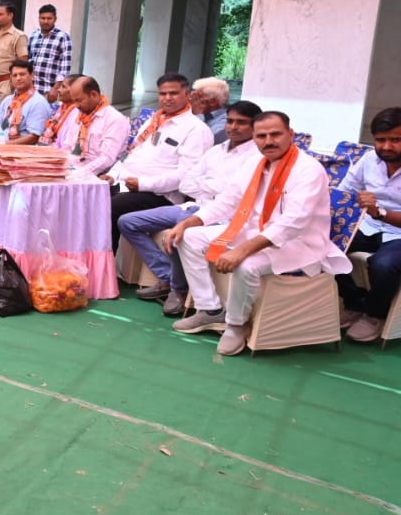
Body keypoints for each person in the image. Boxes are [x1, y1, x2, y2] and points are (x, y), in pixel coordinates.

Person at [166, 111, 351, 356]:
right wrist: (190, 221)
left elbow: (293, 223)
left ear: (290, 134)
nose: (269, 141)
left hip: (298, 244)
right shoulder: (254, 163)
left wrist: (242, 250)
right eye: (261, 136)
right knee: (189, 237)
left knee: (247, 265)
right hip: (254, 231)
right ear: (254, 138)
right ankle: (210, 309)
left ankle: (235, 325)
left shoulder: (308, 169)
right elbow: (228, 201)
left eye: (276, 134)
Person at [117, 100, 262, 314]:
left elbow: (233, 193)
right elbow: (186, 182)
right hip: (194, 206)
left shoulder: (257, 157)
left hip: (223, 217)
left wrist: (205, 186)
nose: (233, 127)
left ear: (254, 126)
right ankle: (167, 277)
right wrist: (211, 188)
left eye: (241, 123)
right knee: (128, 221)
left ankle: (178, 290)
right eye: (230, 121)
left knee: (181, 232)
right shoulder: (217, 151)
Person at [103, 73, 214, 253]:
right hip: (126, 184)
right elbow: (130, 153)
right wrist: (113, 174)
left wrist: (143, 184)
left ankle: (105, 265)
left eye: (173, 93)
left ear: (188, 95)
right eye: (163, 94)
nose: (167, 98)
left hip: (161, 195)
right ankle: (83, 258)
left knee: (111, 206)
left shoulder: (196, 130)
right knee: (89, 196)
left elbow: (186, 175)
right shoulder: (153, 121)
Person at [335, 107, 401, 342]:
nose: (386, 147)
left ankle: (375, 314)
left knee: (383, 264)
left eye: (396, 140)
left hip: (398, 233)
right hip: (368, 225)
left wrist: (379, 212)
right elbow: (345, 192)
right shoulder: (370, 159)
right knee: (326, 246)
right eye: (380, 140)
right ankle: (355, 303)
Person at [58, 76, 129, 177]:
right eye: (74, 101)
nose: (76, 106)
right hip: (74, 169)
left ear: (94, 95)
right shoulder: (80, 116)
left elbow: (106, 159)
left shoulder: (114, 119)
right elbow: (67, 147)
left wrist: (77, 174)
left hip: (98, 176)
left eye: (79, 100)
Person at [0, 60, 51, 145]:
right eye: (15, 75)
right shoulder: (8, 100)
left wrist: (3, 145)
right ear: (10, 78)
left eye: (22, 74)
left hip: (19, 151)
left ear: (32, 76)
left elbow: (33, 138)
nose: (18, 78)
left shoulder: (38, 103)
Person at [0, 4, 29, 100]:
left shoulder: (18, 36)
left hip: (4, 84)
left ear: (10, 15)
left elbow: (23, 61)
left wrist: (13, 84)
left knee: (1, 113)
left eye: (0, 14)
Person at [27, 4, 73, 100]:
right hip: (32, 90)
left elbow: (65, 68)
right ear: (38, 18)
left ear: (55, 19)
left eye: (49, 18)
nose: (45, 21)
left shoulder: (63, 37)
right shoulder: (33, 36)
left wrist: (56, 89)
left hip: (49, 91)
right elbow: (28, 62)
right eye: (42, 18)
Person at [39, 73, 82, 148]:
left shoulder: (76, 113)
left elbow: (65, 146)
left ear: (76, 91)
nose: (58, 90)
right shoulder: (61, 107)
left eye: (63, 87)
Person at [190, 77, 231, 144]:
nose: (192, 99)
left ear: (213, 102)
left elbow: (200, 140)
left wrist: (198, 114)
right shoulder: (191, 113)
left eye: (198, 97)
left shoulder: (227, 120)